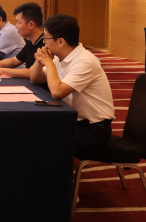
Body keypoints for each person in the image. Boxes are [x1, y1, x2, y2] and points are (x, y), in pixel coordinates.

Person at [30, 14, 115, 154]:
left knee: (41, 139)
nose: (44, 43)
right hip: (72, 119)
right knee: (31, 127)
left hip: (93, 129)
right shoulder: (60, 57)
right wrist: (39, 60)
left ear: (60, 41)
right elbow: (35, 79)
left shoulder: (84, 61)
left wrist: (49, 63)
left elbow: (57, 92)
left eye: (45, 38)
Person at [0, 2, 45, 78]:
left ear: (31, 24)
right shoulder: (30, 42)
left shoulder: (46, 43)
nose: (16, 27)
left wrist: (1, 71)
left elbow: (34, 72)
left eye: (19, 22)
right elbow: (14, 61)